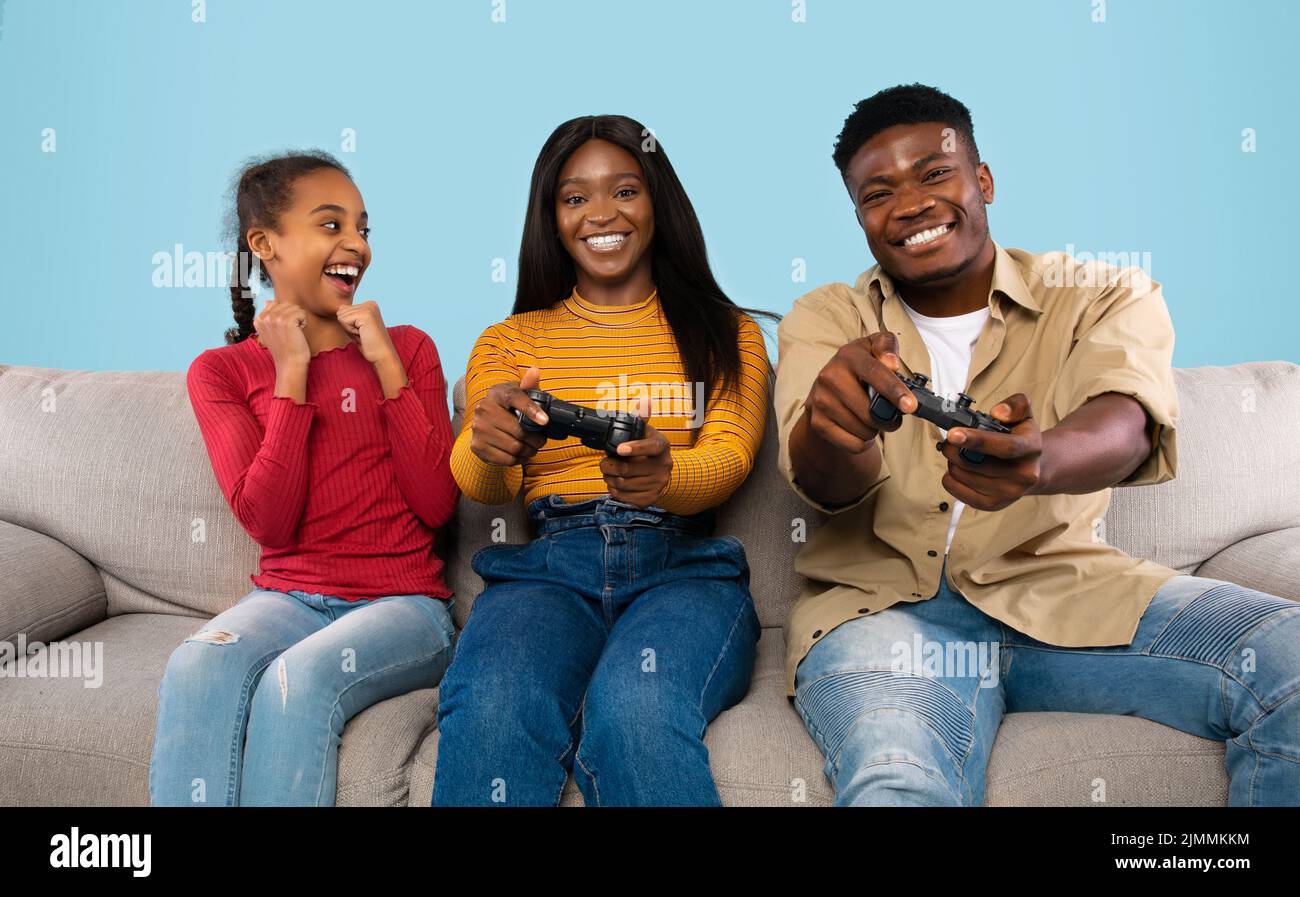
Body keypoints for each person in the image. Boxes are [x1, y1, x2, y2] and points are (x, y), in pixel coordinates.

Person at [776, 84, 1300, 806]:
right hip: (883, 617)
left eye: (935, 173)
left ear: (981, 179)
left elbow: (1128, 420)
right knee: (897, 777)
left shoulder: (1099, 292)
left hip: (1064, 596)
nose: (911, 205)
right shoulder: (825, 316)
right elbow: (821, 477)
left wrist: (1042, 460)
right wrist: (837, 429)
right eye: (877, 193)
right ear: (860, 217)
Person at [431, 115, 777, 806]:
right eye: (574, 197)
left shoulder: (726, 330)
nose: (601, 214)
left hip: (683, 572)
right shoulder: (509, 340)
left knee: (635, 711)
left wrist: (666, 479)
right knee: (493, 704)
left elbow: (731, 456)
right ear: (551, 219)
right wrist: (488, 444)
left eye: (625, 190)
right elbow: (482, 484)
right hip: (548, 572)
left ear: (658, 203)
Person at [150, 151, 459, 806]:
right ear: (266, 244)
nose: (355, 246)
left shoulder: (409, 346)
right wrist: (291, 375)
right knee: (196, 662)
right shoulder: (223, 371)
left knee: (298, 679)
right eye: (330, 225)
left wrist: (383, 365)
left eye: (363, 229)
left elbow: (436, 503)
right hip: (290, 598)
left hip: (402, 607)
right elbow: (269, 520)